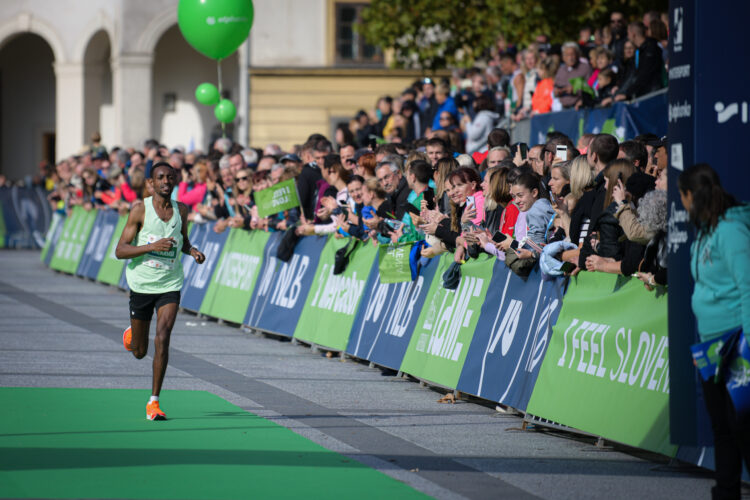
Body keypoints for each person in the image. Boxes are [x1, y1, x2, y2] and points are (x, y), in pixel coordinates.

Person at [680, 163, 750, 500]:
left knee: (743, 426)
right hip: (711, 346)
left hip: (738, 343)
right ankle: (726, 492)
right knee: (722, 427)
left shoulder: (732, 231)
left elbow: (747, 287)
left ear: (691, 195)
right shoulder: (706, 230)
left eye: (682, 196)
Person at [115, 162, 206, 421]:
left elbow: (183, 241)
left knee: (163, 336)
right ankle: (133, 335)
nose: (166, 181)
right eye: (160, 177)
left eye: (170, 177)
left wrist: (193, 251)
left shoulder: (182, 210)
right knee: (140, 351)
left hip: (170, 282)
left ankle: (153, 402)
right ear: (151, 184)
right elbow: (120, 250)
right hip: (142, 284)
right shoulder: (139, 210)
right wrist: (151, 246)